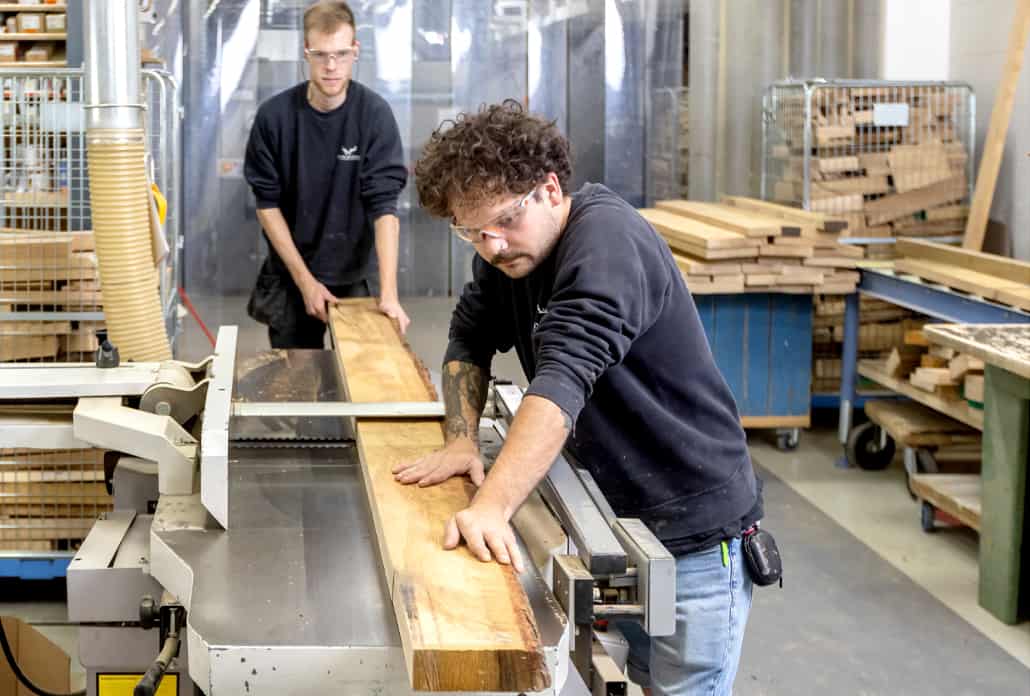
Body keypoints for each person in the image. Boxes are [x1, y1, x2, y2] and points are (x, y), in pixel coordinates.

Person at [394, 100, 763, 696]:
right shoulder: (507, 255)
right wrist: (461, 438)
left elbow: (561, 382)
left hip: (694, 526)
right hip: (612, 518)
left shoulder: (606, 246)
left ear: (548, 189)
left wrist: (490, 505)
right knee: (631, 677)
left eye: (504, 221)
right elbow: (468, 335)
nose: (490, 244)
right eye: (471, 231)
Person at [244, 0, 409, 348]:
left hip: (355, 272)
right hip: (292, 273)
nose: (331, 66)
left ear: (355, 51)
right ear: (306, 52)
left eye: (341, 54)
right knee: (297, 383)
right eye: (321, 55)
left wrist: (390, 293)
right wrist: (306, 283)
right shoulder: (274, 118)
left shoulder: (374, 116)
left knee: (366, 377)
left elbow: (385, 209)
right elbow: (267, 205)